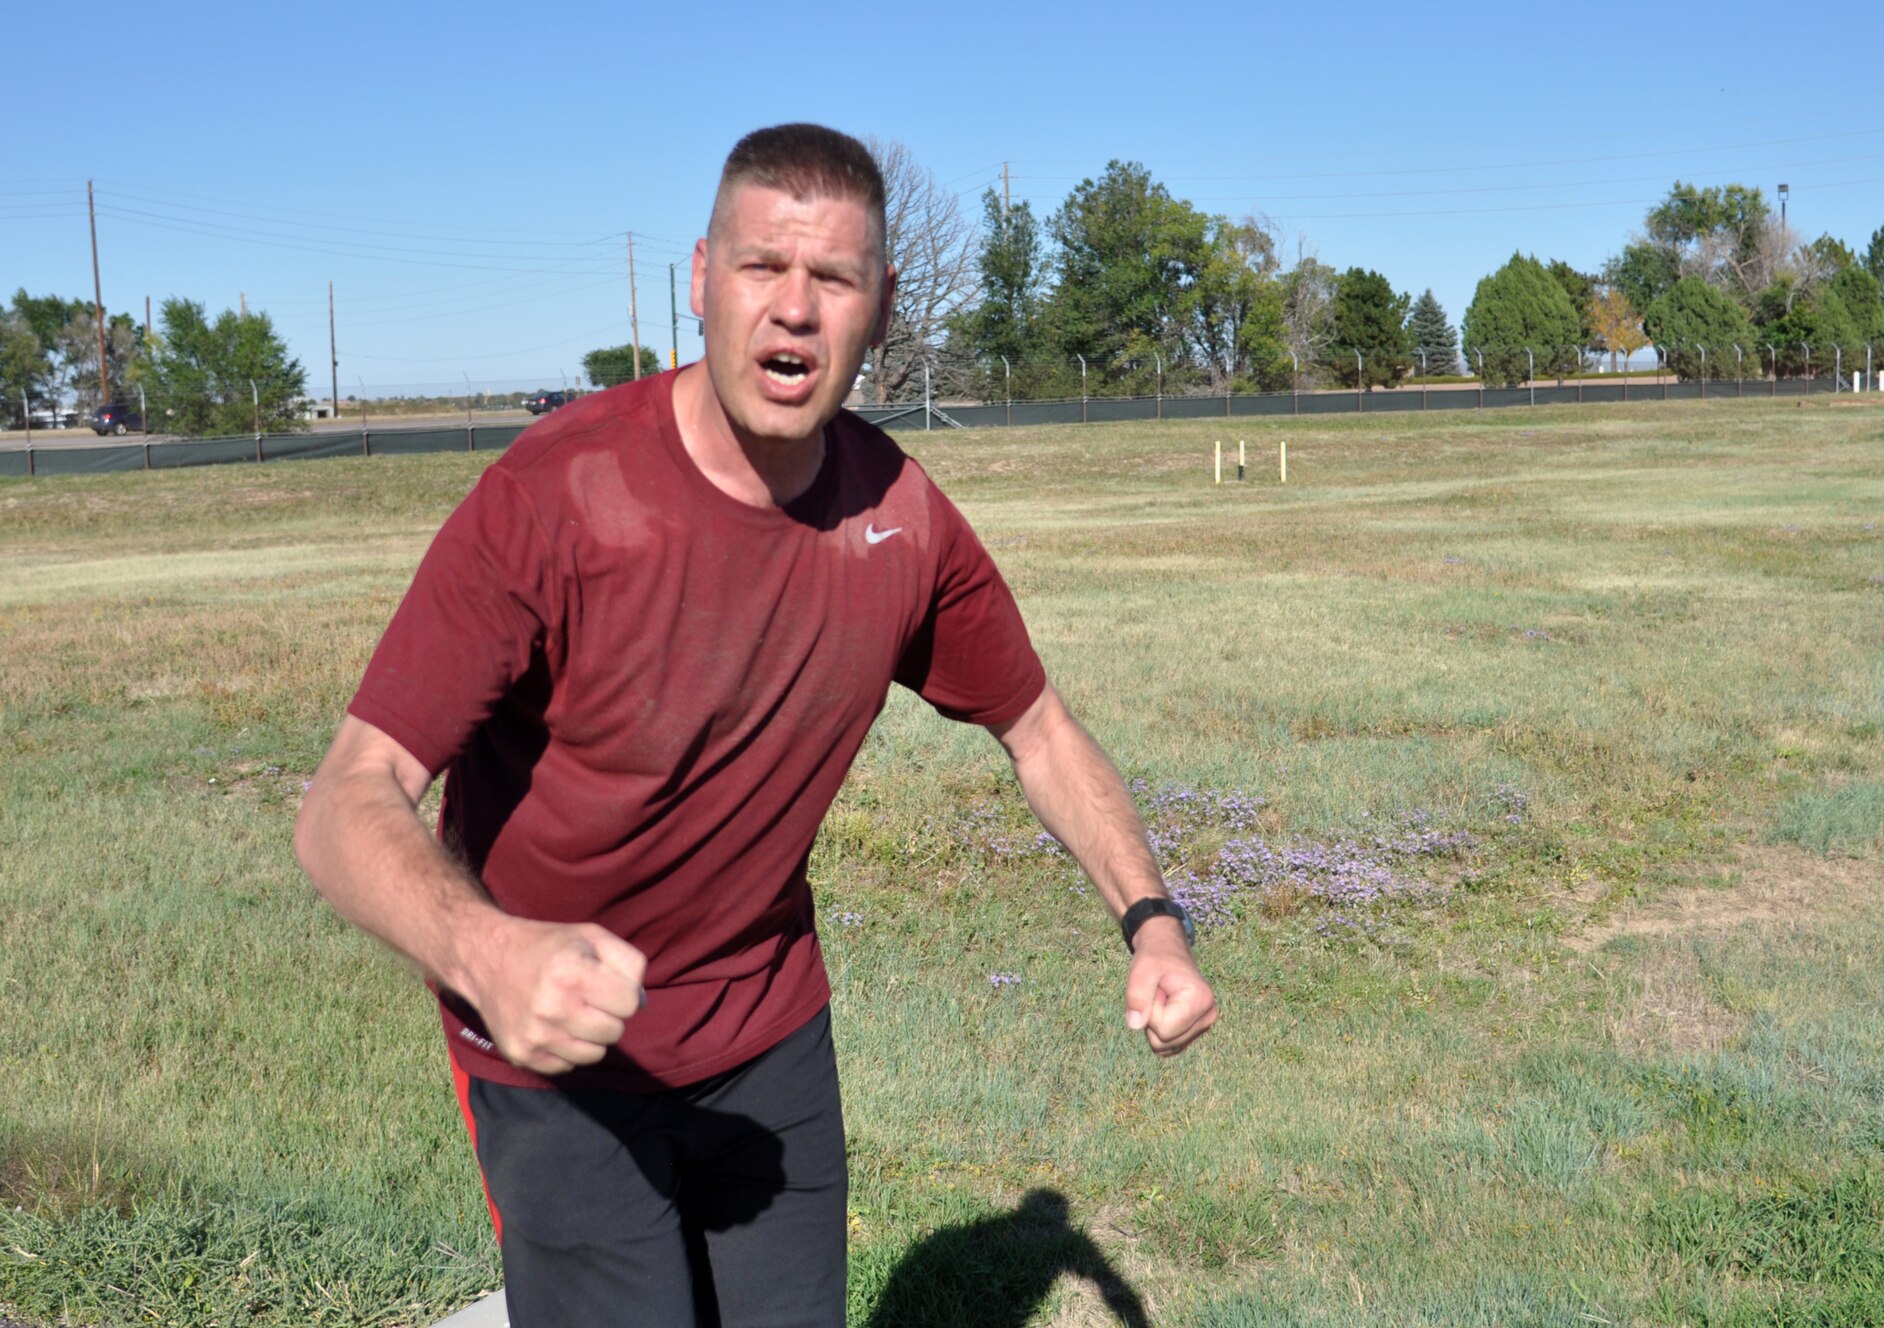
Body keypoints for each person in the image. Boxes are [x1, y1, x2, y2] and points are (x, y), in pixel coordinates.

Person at [293, 123, 1216, 1328]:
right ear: (697, 280)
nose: (792, 310)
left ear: (878, 311)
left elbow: (1036, 727)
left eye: (832, 279)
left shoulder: (900, 518)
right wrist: (487, 953)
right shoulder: (555, 494)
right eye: (759, 268)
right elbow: (345, 798)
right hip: (558, 1049)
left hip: (767, 1032)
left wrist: (1151, 922)